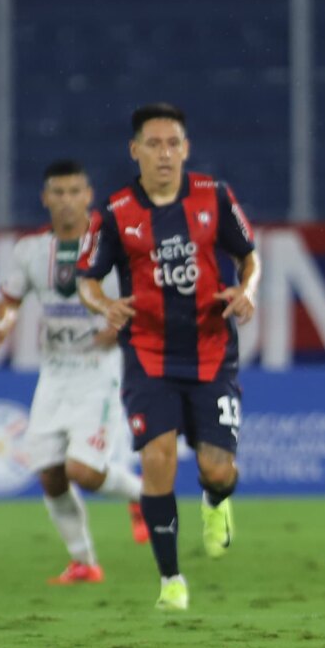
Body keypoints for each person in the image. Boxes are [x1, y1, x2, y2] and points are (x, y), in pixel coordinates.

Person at [77, 103, 260, 610]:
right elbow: (87, 278)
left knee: (217, 469)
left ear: (185, 148)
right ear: (134, 151)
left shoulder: (213, 196)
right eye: (153, 144)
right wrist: (106, 304)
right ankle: (171, 580)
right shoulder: (114, 213)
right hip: (148, 354)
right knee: (156, 461)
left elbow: (250, 256)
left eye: (172, 143)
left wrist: (249, 290)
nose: (164, 153)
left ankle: (217, 501)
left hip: (212, 351)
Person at [0, 160, 147, 584]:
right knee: (51, 476)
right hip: (54, 374)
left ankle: (142, 494)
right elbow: (11, 300)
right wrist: (3, 323)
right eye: (58, 192)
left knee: (83, 472)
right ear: (45, 198)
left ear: (88, 196)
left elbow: (143, 295)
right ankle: (85, 563)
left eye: (75, 191)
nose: (66, 201)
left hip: (99, 371)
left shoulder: (113, 245)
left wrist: (120, 324)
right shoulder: (30, 251)